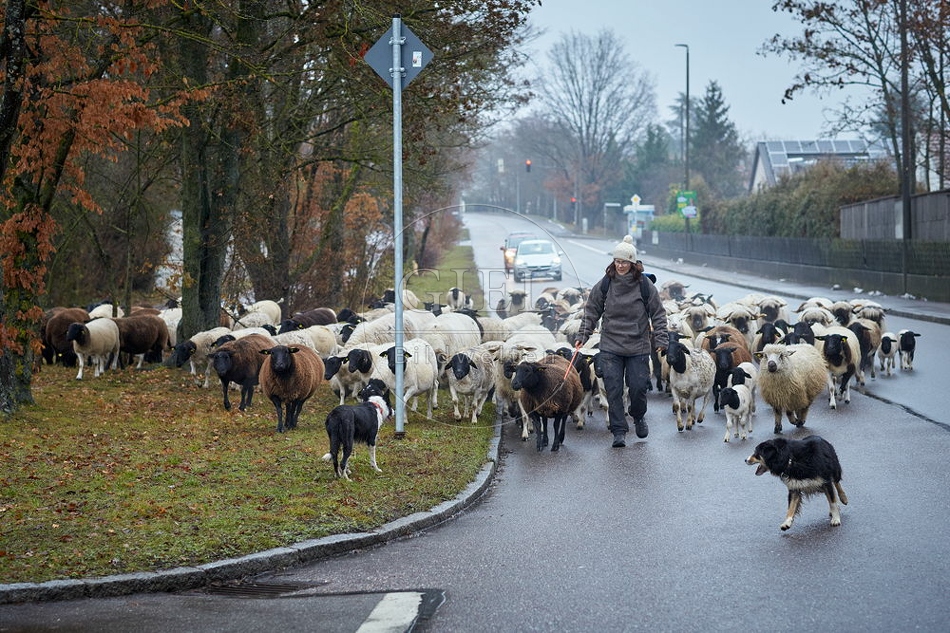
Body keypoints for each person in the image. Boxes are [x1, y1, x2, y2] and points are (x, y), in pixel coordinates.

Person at [575, 235, 669, 447]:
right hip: (610, 345)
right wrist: (583, 335)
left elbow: (658, 313)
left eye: (625, 262)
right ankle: (619, 430)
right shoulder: (606, 284)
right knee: (613, 389)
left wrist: (661, 338)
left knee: (637, 387)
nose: (620, 265)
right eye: (617, 261)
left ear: (633, 263)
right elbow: (592, 311)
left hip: (637, 345)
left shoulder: (645, 285)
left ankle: (638, 416)